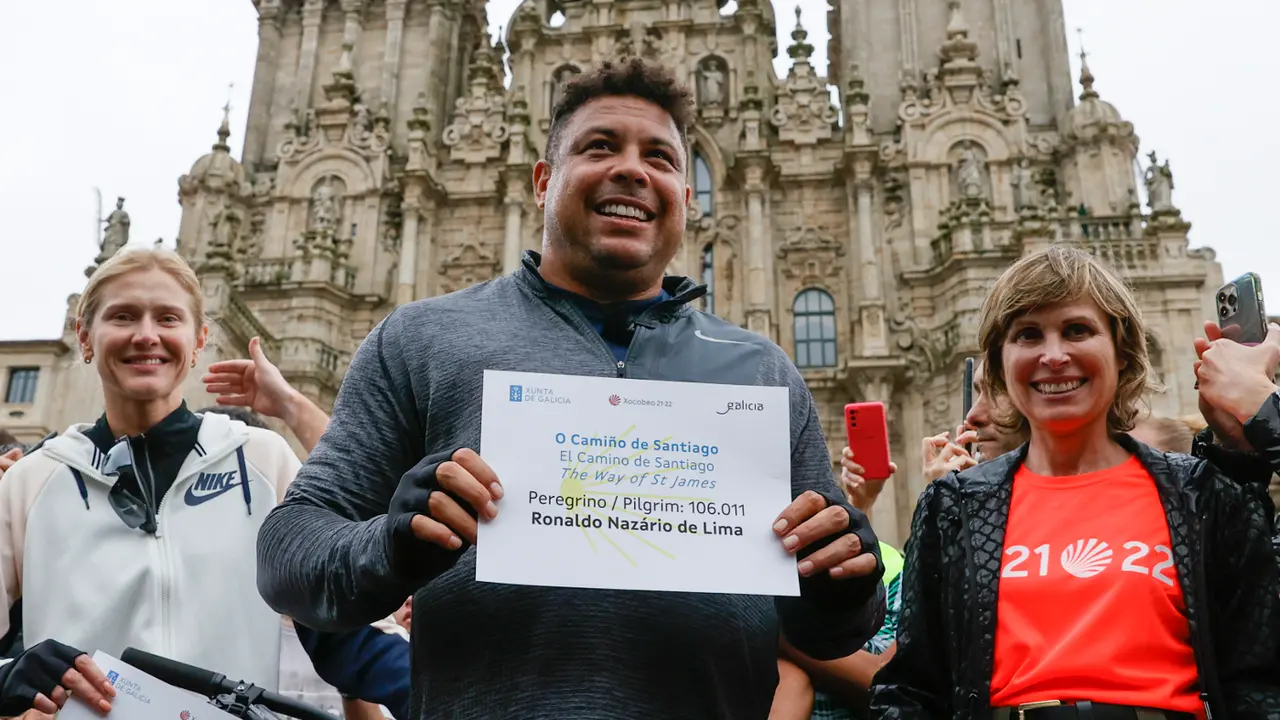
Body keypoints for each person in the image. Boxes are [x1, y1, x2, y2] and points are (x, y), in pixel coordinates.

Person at [256, 57, 885, 720]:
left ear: (690, 197)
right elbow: (287, 555)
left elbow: (833, 632)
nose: (633, 170)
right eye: (600, 146)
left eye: (663, 158)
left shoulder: (761, 373)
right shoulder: (423, 341)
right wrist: (391, 543)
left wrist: (846, 580)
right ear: (542, 181)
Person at [872, 246, 1280, 720]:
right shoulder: (954, 505)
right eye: (1027, 334)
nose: (1053, 355)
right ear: (1002, 364)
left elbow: (1256, 681)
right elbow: (910, 689)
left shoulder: (1201, 494)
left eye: (1077, 330)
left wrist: (1262, 422)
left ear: (1123, 352)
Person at [0, 248, 356, 718]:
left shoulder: (262, 460)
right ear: (85, 337)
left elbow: (357, 569)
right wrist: (10, 678)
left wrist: (291, 403)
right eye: (123, 316)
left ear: (199, 340)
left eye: (168, 318)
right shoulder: (33, 480)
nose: (146, 335)